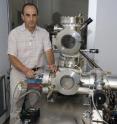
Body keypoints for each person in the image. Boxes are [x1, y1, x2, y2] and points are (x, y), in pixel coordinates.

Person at [8, 3, 57, 124]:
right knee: (16, 104)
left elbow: (48, 51)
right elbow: (12, 57)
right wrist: (25, 70)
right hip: (19, 75)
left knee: (34, 103)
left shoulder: (44, 33)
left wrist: (52, 65)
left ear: (37, 16)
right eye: (28, 15)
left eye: (34, 15)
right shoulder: (14, 33)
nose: (31, 18)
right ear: (22, 17)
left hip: (36, 75)